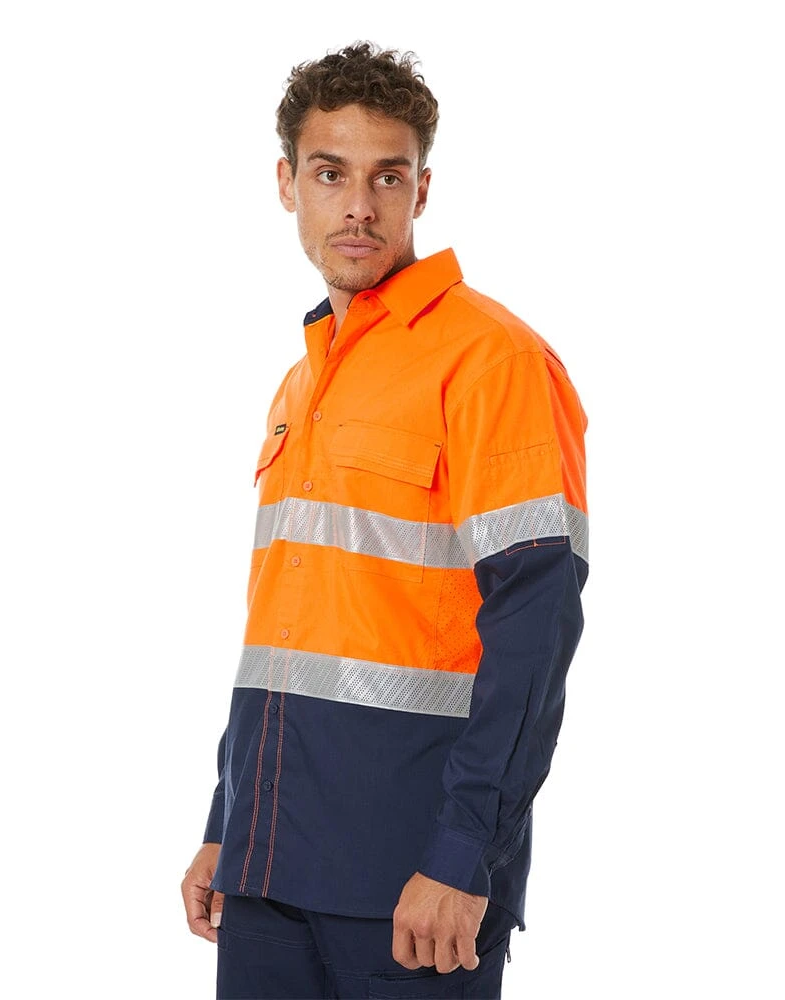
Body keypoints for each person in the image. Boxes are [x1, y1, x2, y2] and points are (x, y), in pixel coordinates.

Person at [181, 41, 589, 1000]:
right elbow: (285, 632)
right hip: (268, 872)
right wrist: (227, 823)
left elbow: (536, 629)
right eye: (331, 173)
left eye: (387, 176)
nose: (358, 205)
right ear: (287, 183)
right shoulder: (302, 383)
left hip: (410, 883)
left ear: (421, 189)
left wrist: (462, 857)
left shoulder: (493, 361)